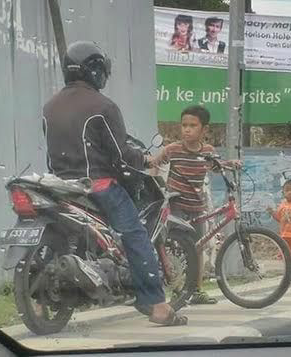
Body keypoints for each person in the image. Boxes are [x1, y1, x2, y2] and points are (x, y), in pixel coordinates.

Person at [42, 41, 187, 326]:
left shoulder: (49, 107)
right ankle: (156, 306)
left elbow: (51, 152)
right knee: (135, 234)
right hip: (98, 186)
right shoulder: (103, 106)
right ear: (95, 70)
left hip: (60, 186)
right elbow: (121, 155)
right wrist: (147, 161)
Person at [149, 105, 240, 304]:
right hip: (176, 207)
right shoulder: (173, 149)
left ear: (204, 130)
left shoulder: (208, 151)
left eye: (192, 125)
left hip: (197, 206)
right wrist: (154, 185)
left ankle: (197, 290)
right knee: (179, 248)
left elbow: (215, 167)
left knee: (197, 248)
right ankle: (177, 288)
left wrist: (229, 163)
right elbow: (155, 163)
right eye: (184, 125)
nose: (187, 129)